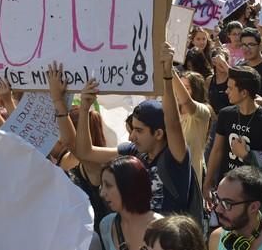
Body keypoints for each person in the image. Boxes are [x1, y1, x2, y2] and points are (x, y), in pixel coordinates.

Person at [75, 42, 198, 222]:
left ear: (158, 134)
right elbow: (85, 152)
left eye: (139, 131)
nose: (132, 136)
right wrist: (85, 109)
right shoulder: (134, 152)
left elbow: (172, 123)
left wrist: (166, 75)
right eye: (133, 129)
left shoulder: (175, 158)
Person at [203, 66, 262, 221]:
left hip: (250, 192)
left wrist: (247, 155)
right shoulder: (226, 114)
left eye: (230, 88)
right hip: (227, 187)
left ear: (244, 93)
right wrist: (207, 183)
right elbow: (217, 150)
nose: (226, 91)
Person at [47, 62, 111, 235]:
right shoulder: (83, 163)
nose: (57, 134)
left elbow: (72, 144)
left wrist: (59, 100)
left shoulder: (94, 166)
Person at [99, 156, 163, 250]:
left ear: (128, 187)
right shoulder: (106, 225)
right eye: (102, 185)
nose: (102, 193)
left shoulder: (161, 228)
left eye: (108, 185)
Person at [173, 70, 213, 189]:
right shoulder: (172, 112)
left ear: (196, 91)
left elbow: (187, 102)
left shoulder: (203, 112)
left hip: (190, 179)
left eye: (186, 88)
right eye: (180, 87)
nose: (180, 92)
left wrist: (170, 71)